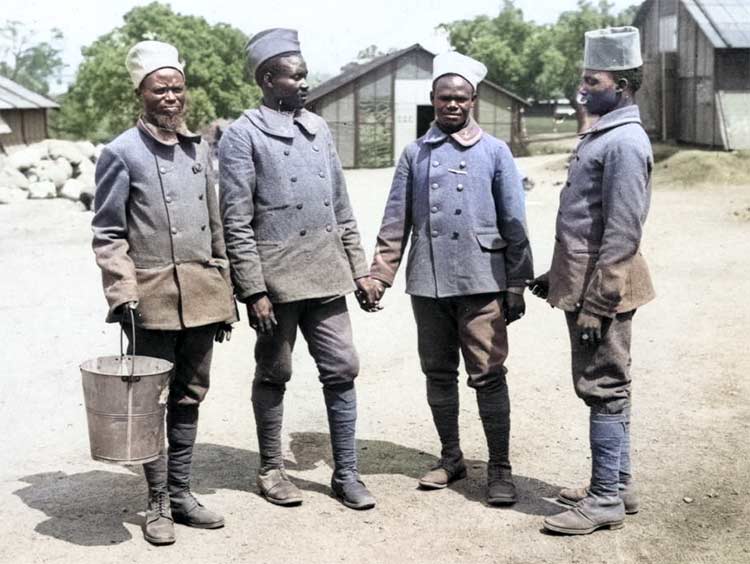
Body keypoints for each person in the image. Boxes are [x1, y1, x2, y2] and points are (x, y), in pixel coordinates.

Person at [361, 51, 533, 505]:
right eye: (444, 98)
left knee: (488, 374)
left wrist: (515, 284)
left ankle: (500, 468)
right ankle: (451, 457)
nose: (452, 106)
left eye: (460, 98)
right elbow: (395, 220)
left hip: (481, 282)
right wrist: (380, 274)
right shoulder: (415, 153)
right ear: (432, 99)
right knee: (438, 373)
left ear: (473, 100)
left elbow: (515, 223)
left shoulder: (495, 151)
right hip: (429, 283)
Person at [219, 28, 377, 510]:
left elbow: (342, 210)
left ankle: (346, 474)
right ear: (269, 79)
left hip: (327, 278)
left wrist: (361, 272)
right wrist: (253, 291)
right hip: (276, 284)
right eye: (296, 76)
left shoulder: (319, 129)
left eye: (306, 75)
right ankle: (271, 470)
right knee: (274, 372)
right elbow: (236, 222)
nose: (305, 83)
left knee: (342, 368)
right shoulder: (242, 136)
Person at [91, 41, 237, 545]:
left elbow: (216, 226)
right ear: (142, 92)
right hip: (149, 301)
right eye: (160, 88)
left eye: (177, 87)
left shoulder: (199, 148)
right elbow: (109, 233)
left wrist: (226, 295)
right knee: (151, 401)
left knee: (191, 396)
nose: (171, 97)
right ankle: (155, 503)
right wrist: (122, 292)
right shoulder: (121, 152)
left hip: (201, 296)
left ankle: (180, 492)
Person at [528, 26, 655, 535]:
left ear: (621, 85)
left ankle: (604, 498)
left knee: (603, 385)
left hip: (603, 290)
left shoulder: (624, 142)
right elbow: (585, 222)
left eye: (591, 80)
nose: (582, 89)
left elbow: (622, 233)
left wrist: (598, 305)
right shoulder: (606, 133)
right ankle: (617, 485)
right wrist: (555, 275)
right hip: (585, 281)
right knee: (610, 384)